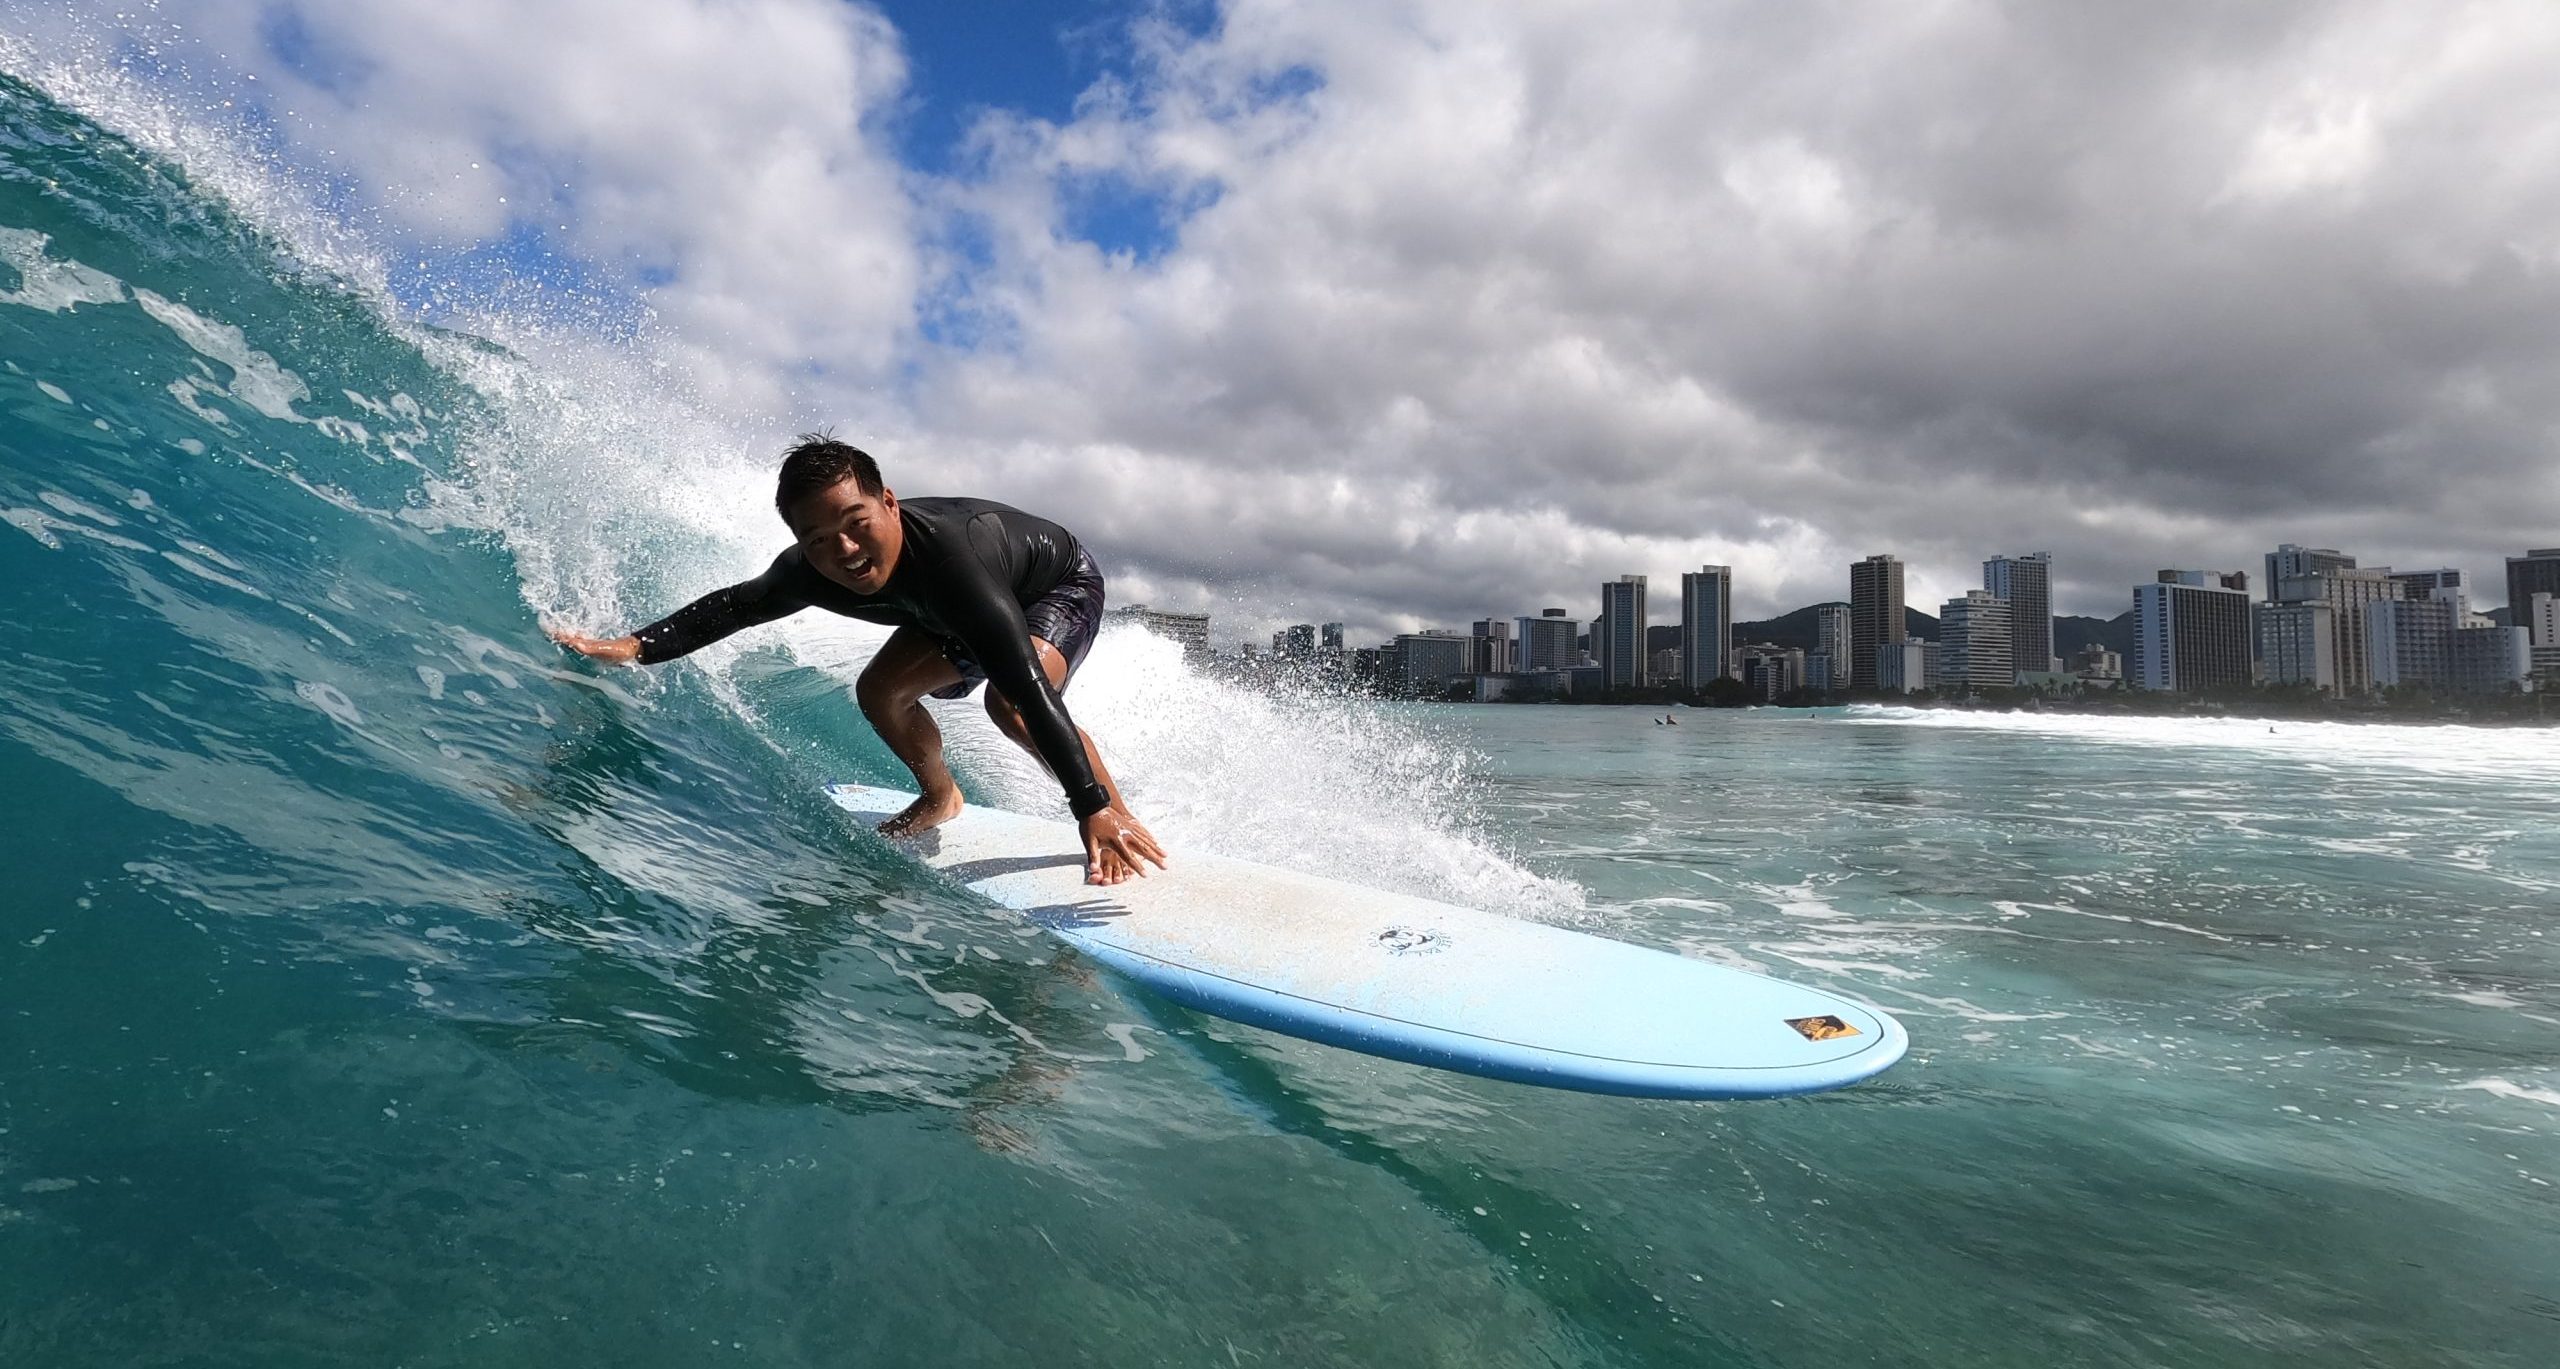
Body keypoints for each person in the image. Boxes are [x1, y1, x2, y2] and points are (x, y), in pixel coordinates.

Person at [548, 435, 1169, 886]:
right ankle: (940, 797)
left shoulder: (958, 566)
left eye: (856, 521)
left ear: (889, 502)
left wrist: (1085, 805)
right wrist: (638, 645)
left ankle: (1117, 818)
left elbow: (1033, 690)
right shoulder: (811, 572)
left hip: (1053, 586)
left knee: (1007, 703)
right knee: (880, 691)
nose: (843, 549)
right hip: (941, 613)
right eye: (817, 538)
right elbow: (736, 607)